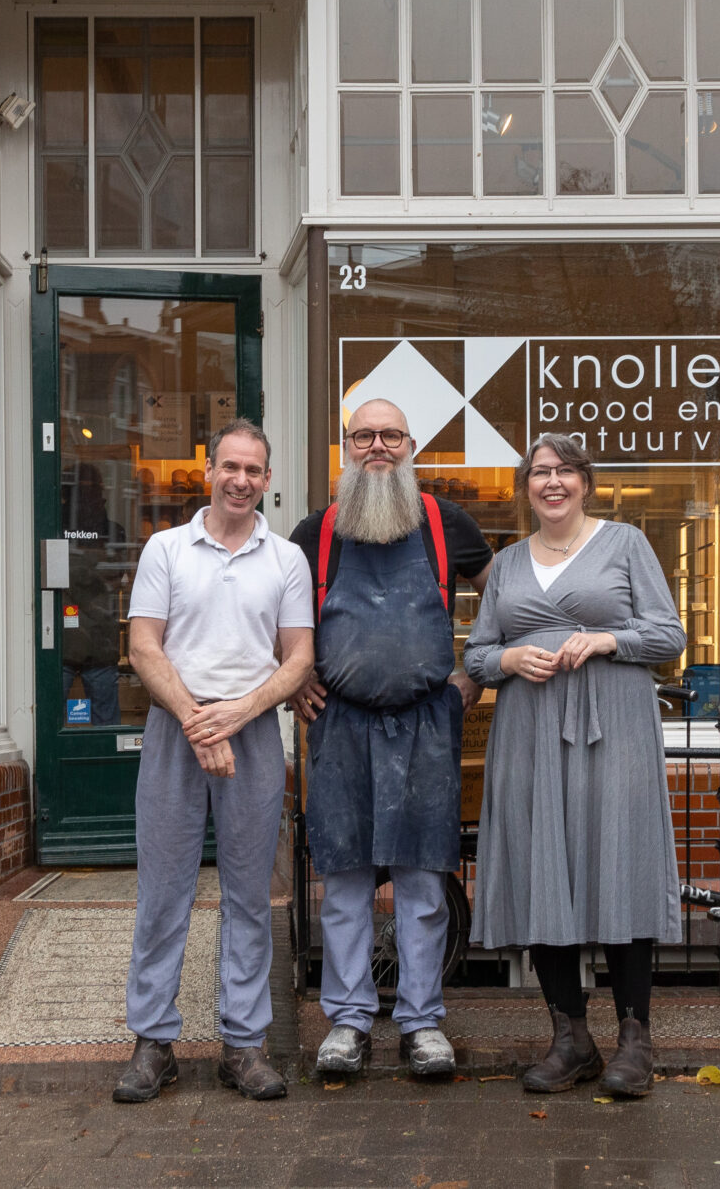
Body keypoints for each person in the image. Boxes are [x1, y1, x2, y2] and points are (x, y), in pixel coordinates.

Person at [464, 432, 685, 1099]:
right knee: (542, 870)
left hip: (613, 729)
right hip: (529, 732)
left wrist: (609, 638)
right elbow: (477, 654)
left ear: (585, 481)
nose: (551, 481)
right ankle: (570, 1038)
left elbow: (669, 635)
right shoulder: (505, 564)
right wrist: (509, 660)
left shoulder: (624, 543)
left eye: (563, 471)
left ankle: (635, 1039)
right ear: (525, 485)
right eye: (539, 472)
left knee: (618, 862)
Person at [289, 398, 493, 1082]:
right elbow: (277, 622)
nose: (378, 445)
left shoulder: (446, 522)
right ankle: (346, 1022)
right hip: (339, 723)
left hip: (427, 724)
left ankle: (422, 1021)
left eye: (391, 435)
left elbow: (503, 597)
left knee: (422, 879)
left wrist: (476, 671)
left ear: (411, 445)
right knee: (344, 878)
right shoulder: (316, 532)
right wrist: (292, 681)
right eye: (364, 435)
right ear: (347, 447)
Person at [115, 419, 314, 1104]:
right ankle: (153, 1041)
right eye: (230, 466)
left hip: (254, 733)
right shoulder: (166, 549)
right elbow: (144, 646)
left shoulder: (287, 559)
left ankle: (244, 1044)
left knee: (250, 895)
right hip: (177, 729)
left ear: (267, 479)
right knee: (164, 891)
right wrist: (200, 721)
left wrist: (238, 712)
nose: (241, 480)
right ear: (208, 470)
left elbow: (300, 659)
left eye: (254, 470)